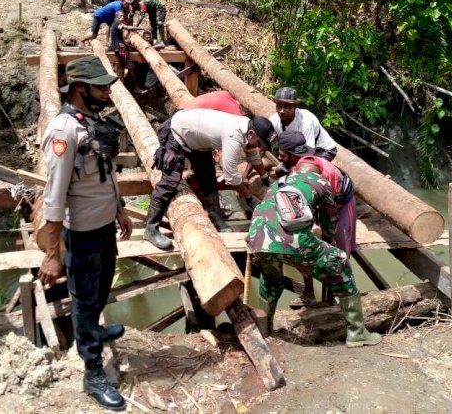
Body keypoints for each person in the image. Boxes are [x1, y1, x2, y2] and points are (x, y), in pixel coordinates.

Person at [36, 56, 133, 411]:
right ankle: (92, 371)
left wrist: (119, 210)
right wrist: (52, 253)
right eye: (101, 86)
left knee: (102, 283)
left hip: (104, 224)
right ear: (80, 89)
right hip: (82, 231)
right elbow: (54, 192)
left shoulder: (90, 122)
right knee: (85, 297)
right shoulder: (64, 131)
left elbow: (104, 174)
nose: (107, 91)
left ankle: (93, 328)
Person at [246, 166, 381, 347]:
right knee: (341, 265)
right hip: (291, 241)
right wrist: (327, 247)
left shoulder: (277, 184)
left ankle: (265, 328)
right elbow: (329, 221)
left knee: (271, 280)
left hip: (257, 239)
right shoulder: (320, 182)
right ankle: (357, 333)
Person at [142, 109, 275, 249]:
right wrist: (250, 199)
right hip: (176, 132)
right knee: (170, 181)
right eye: (259, 143)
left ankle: (217, 220)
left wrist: (264, 177)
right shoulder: (233, 135)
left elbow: (252, 155)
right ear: (252, 133)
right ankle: (150, 229)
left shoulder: (247, 128)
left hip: (198, 140)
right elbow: (231, 176)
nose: (259, 147)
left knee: (208, 178)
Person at [276, 131, 358, 308]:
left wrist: (329, 236)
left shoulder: (307, 172)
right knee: (306, 243)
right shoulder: (296, 168)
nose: (278, 158)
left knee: (338, 249)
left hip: (340, 201)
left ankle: (338, 297)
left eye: (282, 155)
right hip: (319, 200)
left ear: (292, 155)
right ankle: (309, 294)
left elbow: (329, 212)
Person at [269, 86, 338, 160]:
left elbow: (308, 151)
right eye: (279, 106)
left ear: (295, 106)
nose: (282, 111)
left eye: (287, 107)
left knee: (305, 166)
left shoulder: (306, 121)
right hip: (297, 150)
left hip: (322, 150)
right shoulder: (274, 119)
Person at [109, 10, 146, 81]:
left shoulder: (116, 24)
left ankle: (129, 83)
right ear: (116, 17)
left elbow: (121, 38)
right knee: (131, 67)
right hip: (119, 49)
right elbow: (128, 28)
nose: (122, 17)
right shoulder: (117, 23)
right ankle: (135, 86)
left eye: (123, 16)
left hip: (120, 48)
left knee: (128, 66)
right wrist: (143, 28)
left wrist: (130, 46)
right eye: (120, 16)